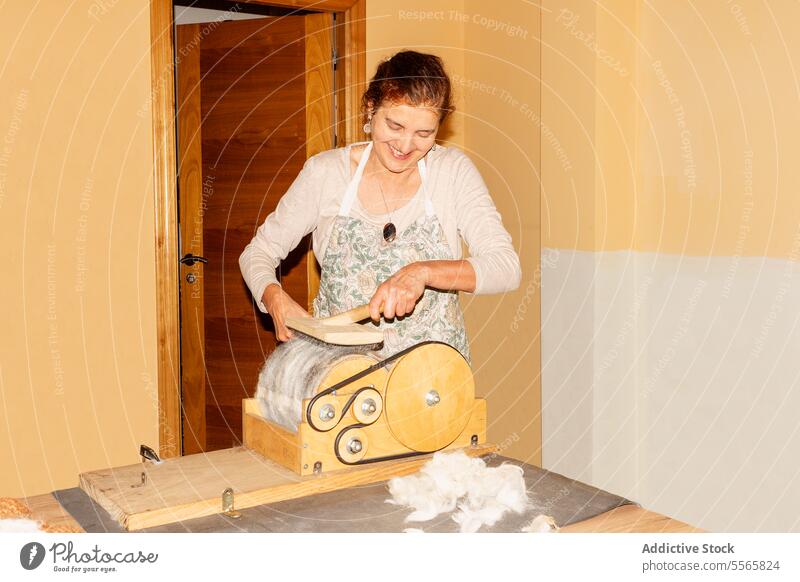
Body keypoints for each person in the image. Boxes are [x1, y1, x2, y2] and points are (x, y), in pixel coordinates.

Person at [239, 50, 521, 362]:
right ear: (371, 108)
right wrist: (274, 297)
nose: (405, 145)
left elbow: (505, 268)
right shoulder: (326, 174)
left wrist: (423, 272)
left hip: (433, 382)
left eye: (424, 133)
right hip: (339, 376)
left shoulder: (451, 172)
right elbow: (258, 253)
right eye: (395, 126)